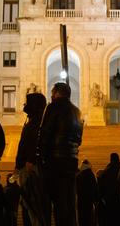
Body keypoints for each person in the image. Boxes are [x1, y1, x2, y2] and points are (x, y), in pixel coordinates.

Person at [38, 82, 83, 226]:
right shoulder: (78, 112)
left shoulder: (53, 107)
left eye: (52, 92)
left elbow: (45, 133)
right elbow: (79, 139)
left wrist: (41, 157)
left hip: (54, 161)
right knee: (67, 202)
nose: (51, 96)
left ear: (58, 93)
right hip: (72, 161)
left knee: (50, 202)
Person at [15, 92, 49, 226]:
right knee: (29, 204)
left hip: (29, 168)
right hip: (27, 165)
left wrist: (29, 160)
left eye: (27, 103)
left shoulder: (36, 123)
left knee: (32, 205)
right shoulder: (35, 120)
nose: (24, 105)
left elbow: (33, 142)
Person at [98, 153, 120, 226]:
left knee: (111, 218)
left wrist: (102, 197)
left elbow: (102, 185)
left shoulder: (107, 171)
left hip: (109, 199)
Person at [76, 159, 97, 226]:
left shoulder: (79, 176)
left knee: (81, 218)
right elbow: (95, 187)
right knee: (89, 217)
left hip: (80, 200)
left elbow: (76, 188)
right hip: (89, 200)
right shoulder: (91, 175)